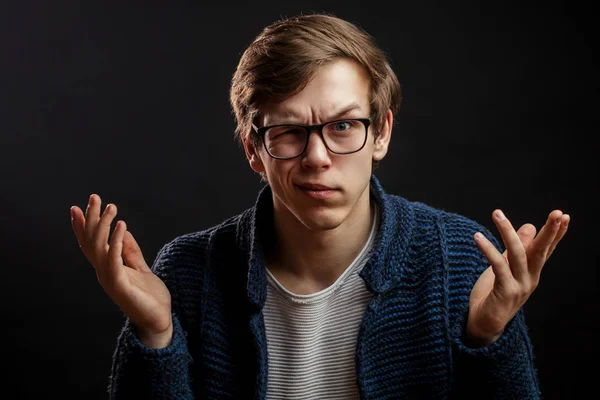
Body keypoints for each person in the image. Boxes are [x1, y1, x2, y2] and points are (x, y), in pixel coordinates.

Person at [70, 13, 570, 400]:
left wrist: (487, 337)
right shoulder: (188, 270)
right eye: (288, 131)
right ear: (252, 148)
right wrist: (156, 334)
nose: (317, 157)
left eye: (344, 126)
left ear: (382, 133)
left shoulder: (463, 260)